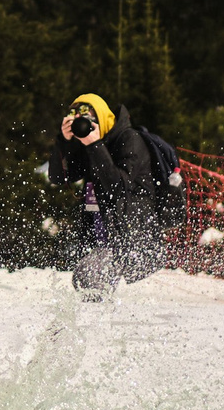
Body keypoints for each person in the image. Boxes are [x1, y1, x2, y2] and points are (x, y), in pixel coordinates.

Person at [49, 93, 184, 299]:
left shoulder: (130, 140)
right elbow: (60, 177)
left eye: (88, 118)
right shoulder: (91, 143)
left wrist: (95, 145)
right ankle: (98, 324)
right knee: (87, 284)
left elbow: (118, 188)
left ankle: (101, 324)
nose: (84, 125)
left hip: (132, 236)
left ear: (102, 117)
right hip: (101, 232)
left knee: (88, 280)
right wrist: (64, 142)